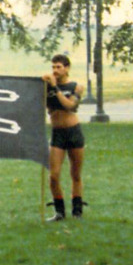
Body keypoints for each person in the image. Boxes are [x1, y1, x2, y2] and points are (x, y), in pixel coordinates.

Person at [42, 54, 86, 221]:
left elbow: (70, 106)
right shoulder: (48, 87)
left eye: (59, 67)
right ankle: (59, 212)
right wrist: (42, 85)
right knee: (53, 175)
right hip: (57, 134)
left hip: (74, 132)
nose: (55, 70)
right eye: (53, 67)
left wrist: (55, 88)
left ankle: (77, 211)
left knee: (75, 174)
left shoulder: (77, 87)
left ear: (67, 68)